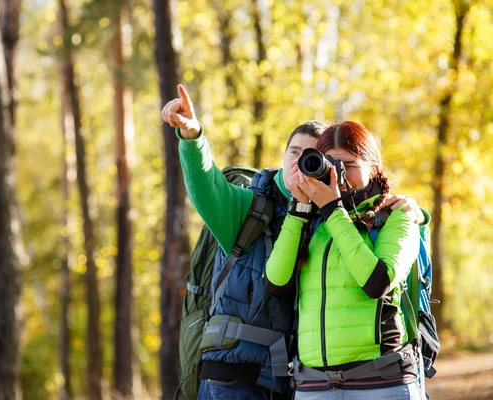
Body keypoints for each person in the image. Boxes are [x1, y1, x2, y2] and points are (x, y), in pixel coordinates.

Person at [161, 86, 423, 400]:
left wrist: (414, 210)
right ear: (283, 156)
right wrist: (193, 138)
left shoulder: (331, 217)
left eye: (313, 157)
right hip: (234, 376)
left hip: (295, 379)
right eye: (295, 153)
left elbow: (385, 245)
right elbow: (206, 187)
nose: (302, 163)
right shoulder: (250, 207)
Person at [265, 121, 423, 399]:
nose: (340, 174)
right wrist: (300, 210)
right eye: (330, 163)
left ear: (372, 166)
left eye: (349, 164)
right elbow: (276, 284)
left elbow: (377, 283)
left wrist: (332, 210)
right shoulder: (313, 220)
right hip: (314, 387)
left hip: (380, 384)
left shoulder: (396, 215)